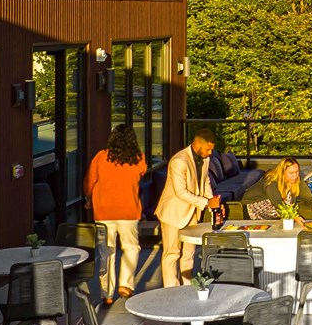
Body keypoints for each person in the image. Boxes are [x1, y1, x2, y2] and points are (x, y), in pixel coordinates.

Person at [83, 124, 147, 305]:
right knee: (131, 248)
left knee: (106, 252)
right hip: (129, 211)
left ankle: (107, 294)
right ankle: (125, 284)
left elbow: (90, 181)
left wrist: (88, 198)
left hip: (103, 212)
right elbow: (141, 173)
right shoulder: (138, 158)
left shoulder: (100, 157)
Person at [155, 128, 220, 286]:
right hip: (173, 213)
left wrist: (213, 202)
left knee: (189, 254)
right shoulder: (179, 160)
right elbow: (180, 192)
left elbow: (205, 182)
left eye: (212, 149)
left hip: (192, 212)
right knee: (172, 254)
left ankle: (187, 287)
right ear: (197, 143)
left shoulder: (205, 159)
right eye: (208, 148)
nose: (210, 152)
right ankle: (171, 290)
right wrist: (206, 203)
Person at [253, 157, 312, 223]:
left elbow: (310, 200)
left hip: (277, 216)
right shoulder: (272, 182)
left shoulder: (297, 181)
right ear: (283, 173)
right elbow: (279, 205)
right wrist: (295, 217)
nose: (295, 175)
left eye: (297, 172)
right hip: (256, 214)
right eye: (291, 173)